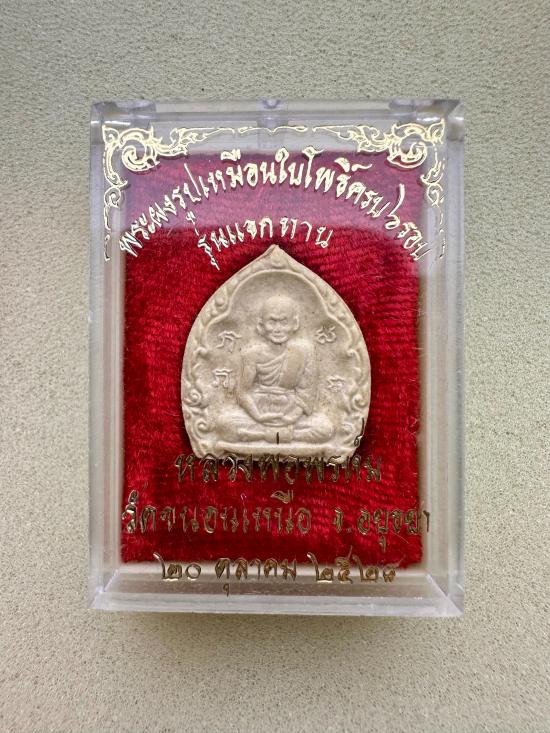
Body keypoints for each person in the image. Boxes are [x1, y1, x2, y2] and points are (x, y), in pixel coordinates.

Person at [218, 294, 333, 445]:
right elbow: (243, 392)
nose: (278, 329)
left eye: (284, 322)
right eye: (272, 322)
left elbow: (306, 393)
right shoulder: (252, 354)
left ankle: (261, 436)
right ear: (261, 326)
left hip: (291, 411)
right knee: (224, 424)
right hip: (258, 410)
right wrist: (258, 416)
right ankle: (285, 436)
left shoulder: (304, 352)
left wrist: (291, 417)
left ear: (295, 324)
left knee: (324, 428)